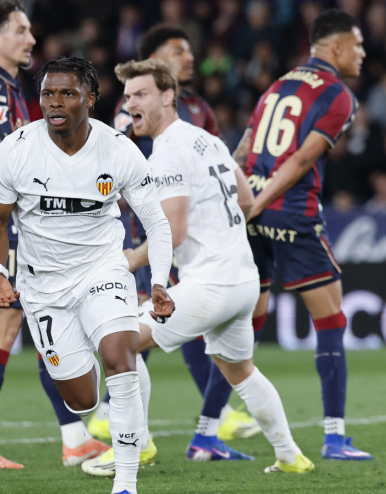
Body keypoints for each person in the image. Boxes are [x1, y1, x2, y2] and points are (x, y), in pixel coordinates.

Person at [83, 58, 312, 476]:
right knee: (240, 369)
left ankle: (137, 445)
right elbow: (244, 201)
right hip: (243, 279)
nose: (131, 102)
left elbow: (174, 229)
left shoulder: (169, 151)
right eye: (128, 95)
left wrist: (130, 258)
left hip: (213, 281)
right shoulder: (207, 139)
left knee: (121, 341)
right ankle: (289, 455)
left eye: (142, 94)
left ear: (168, 97)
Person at [0, 54, 174, 494]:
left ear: (91, 98)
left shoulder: (118, 149)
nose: (55, 102)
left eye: (67, 93)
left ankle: (125, 483)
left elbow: (157, 222)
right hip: (43, 287)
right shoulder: (16, 150)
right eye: (48, 93)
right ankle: (89, 339)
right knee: (81, 400)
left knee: (121, 360)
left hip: (103, 270)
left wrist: (158, 280)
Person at [89, 24, 260, 449]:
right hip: (151, 232)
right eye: (177, 51)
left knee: (167, 322)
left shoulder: (198, 109)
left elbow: (219, 167)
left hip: (192, 238)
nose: (188, 58)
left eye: (189, 51)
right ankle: (119, 415)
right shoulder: (130, 113)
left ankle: (153, 422)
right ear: (153, 61)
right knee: (148, 322)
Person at [0, 1, 109, 469]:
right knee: (2, 329)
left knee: (48, 326)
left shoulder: (11, 89)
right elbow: (15, 159)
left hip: (21, 225)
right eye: (21, 30)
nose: (31, 39)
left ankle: (74, 435)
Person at [231, 8, 372, 461]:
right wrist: (263, 199)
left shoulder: (278, 84)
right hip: (290, 213)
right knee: (330, 320)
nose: (363, 53)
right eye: (357, 44)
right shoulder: (338, 95)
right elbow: (301, 161)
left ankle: (206, 433)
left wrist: (238, 200)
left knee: (244, 324)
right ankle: (334, 437)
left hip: (251, 210)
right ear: (336, 48)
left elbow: (246, 148)